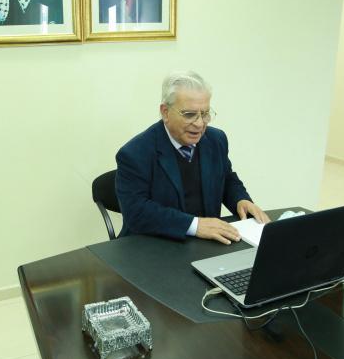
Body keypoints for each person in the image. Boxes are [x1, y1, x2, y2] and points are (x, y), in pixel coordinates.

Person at [115, 71, 270, 244]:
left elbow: (226, 179)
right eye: (189, 114)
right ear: (165, 112)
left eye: (205, 114)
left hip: (205, 244)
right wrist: (194, 225)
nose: (199, 123)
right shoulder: (135, 153)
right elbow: (136, 212)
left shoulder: (216, 140)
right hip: (152, 246)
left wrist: (241, 199)